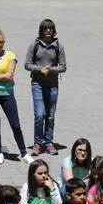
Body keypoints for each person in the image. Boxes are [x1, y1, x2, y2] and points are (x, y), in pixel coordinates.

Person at [0, 27, 32, 164]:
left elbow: (10, 75)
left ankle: (24, 152)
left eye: (1, 42)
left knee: (15, 124)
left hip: (7, 94)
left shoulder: (10, 56)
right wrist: (3, 76)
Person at [26, 18, 67, 156]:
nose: (48, 31)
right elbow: (27, 64)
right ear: (41, 30)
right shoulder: (34, 45)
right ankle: (37, 142)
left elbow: (63, 67)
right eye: (45, 28)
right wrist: (39, 69)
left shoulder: (58, 46)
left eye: (50, 28)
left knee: (50, 116)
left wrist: (52, 69)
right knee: (40, 114)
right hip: (37, 83)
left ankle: (48, 142)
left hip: (52, 85)